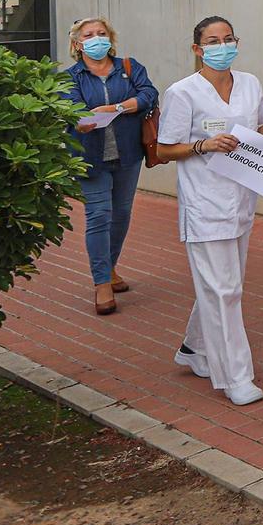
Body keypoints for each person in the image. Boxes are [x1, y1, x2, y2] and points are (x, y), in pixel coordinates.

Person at [156, 16, 263, 407]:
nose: (222, 46)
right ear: (197, 49)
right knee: (226, 290)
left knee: (223, 285)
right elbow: (163, 150)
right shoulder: (182, 93)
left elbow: (252, 129)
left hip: (243, 198)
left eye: (228, 39)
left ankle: (194, 349)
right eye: (213, 41)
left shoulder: (250, 83)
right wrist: (204, 146)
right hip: (205, 202)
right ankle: (236, 376)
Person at [61, 17, 159, 316]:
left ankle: (111, 266)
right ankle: (101, 282)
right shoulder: (70, 77)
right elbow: (72, 109)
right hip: (90, 156)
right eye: (89, 35)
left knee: (121, 215)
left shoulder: (129, 68)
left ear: (111, 38)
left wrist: (117, 108)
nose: (96, 39)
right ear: (78, 44)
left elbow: (148, 94)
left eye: (101, 33)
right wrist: (83, 120)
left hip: (128, 154)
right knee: (99, 216)